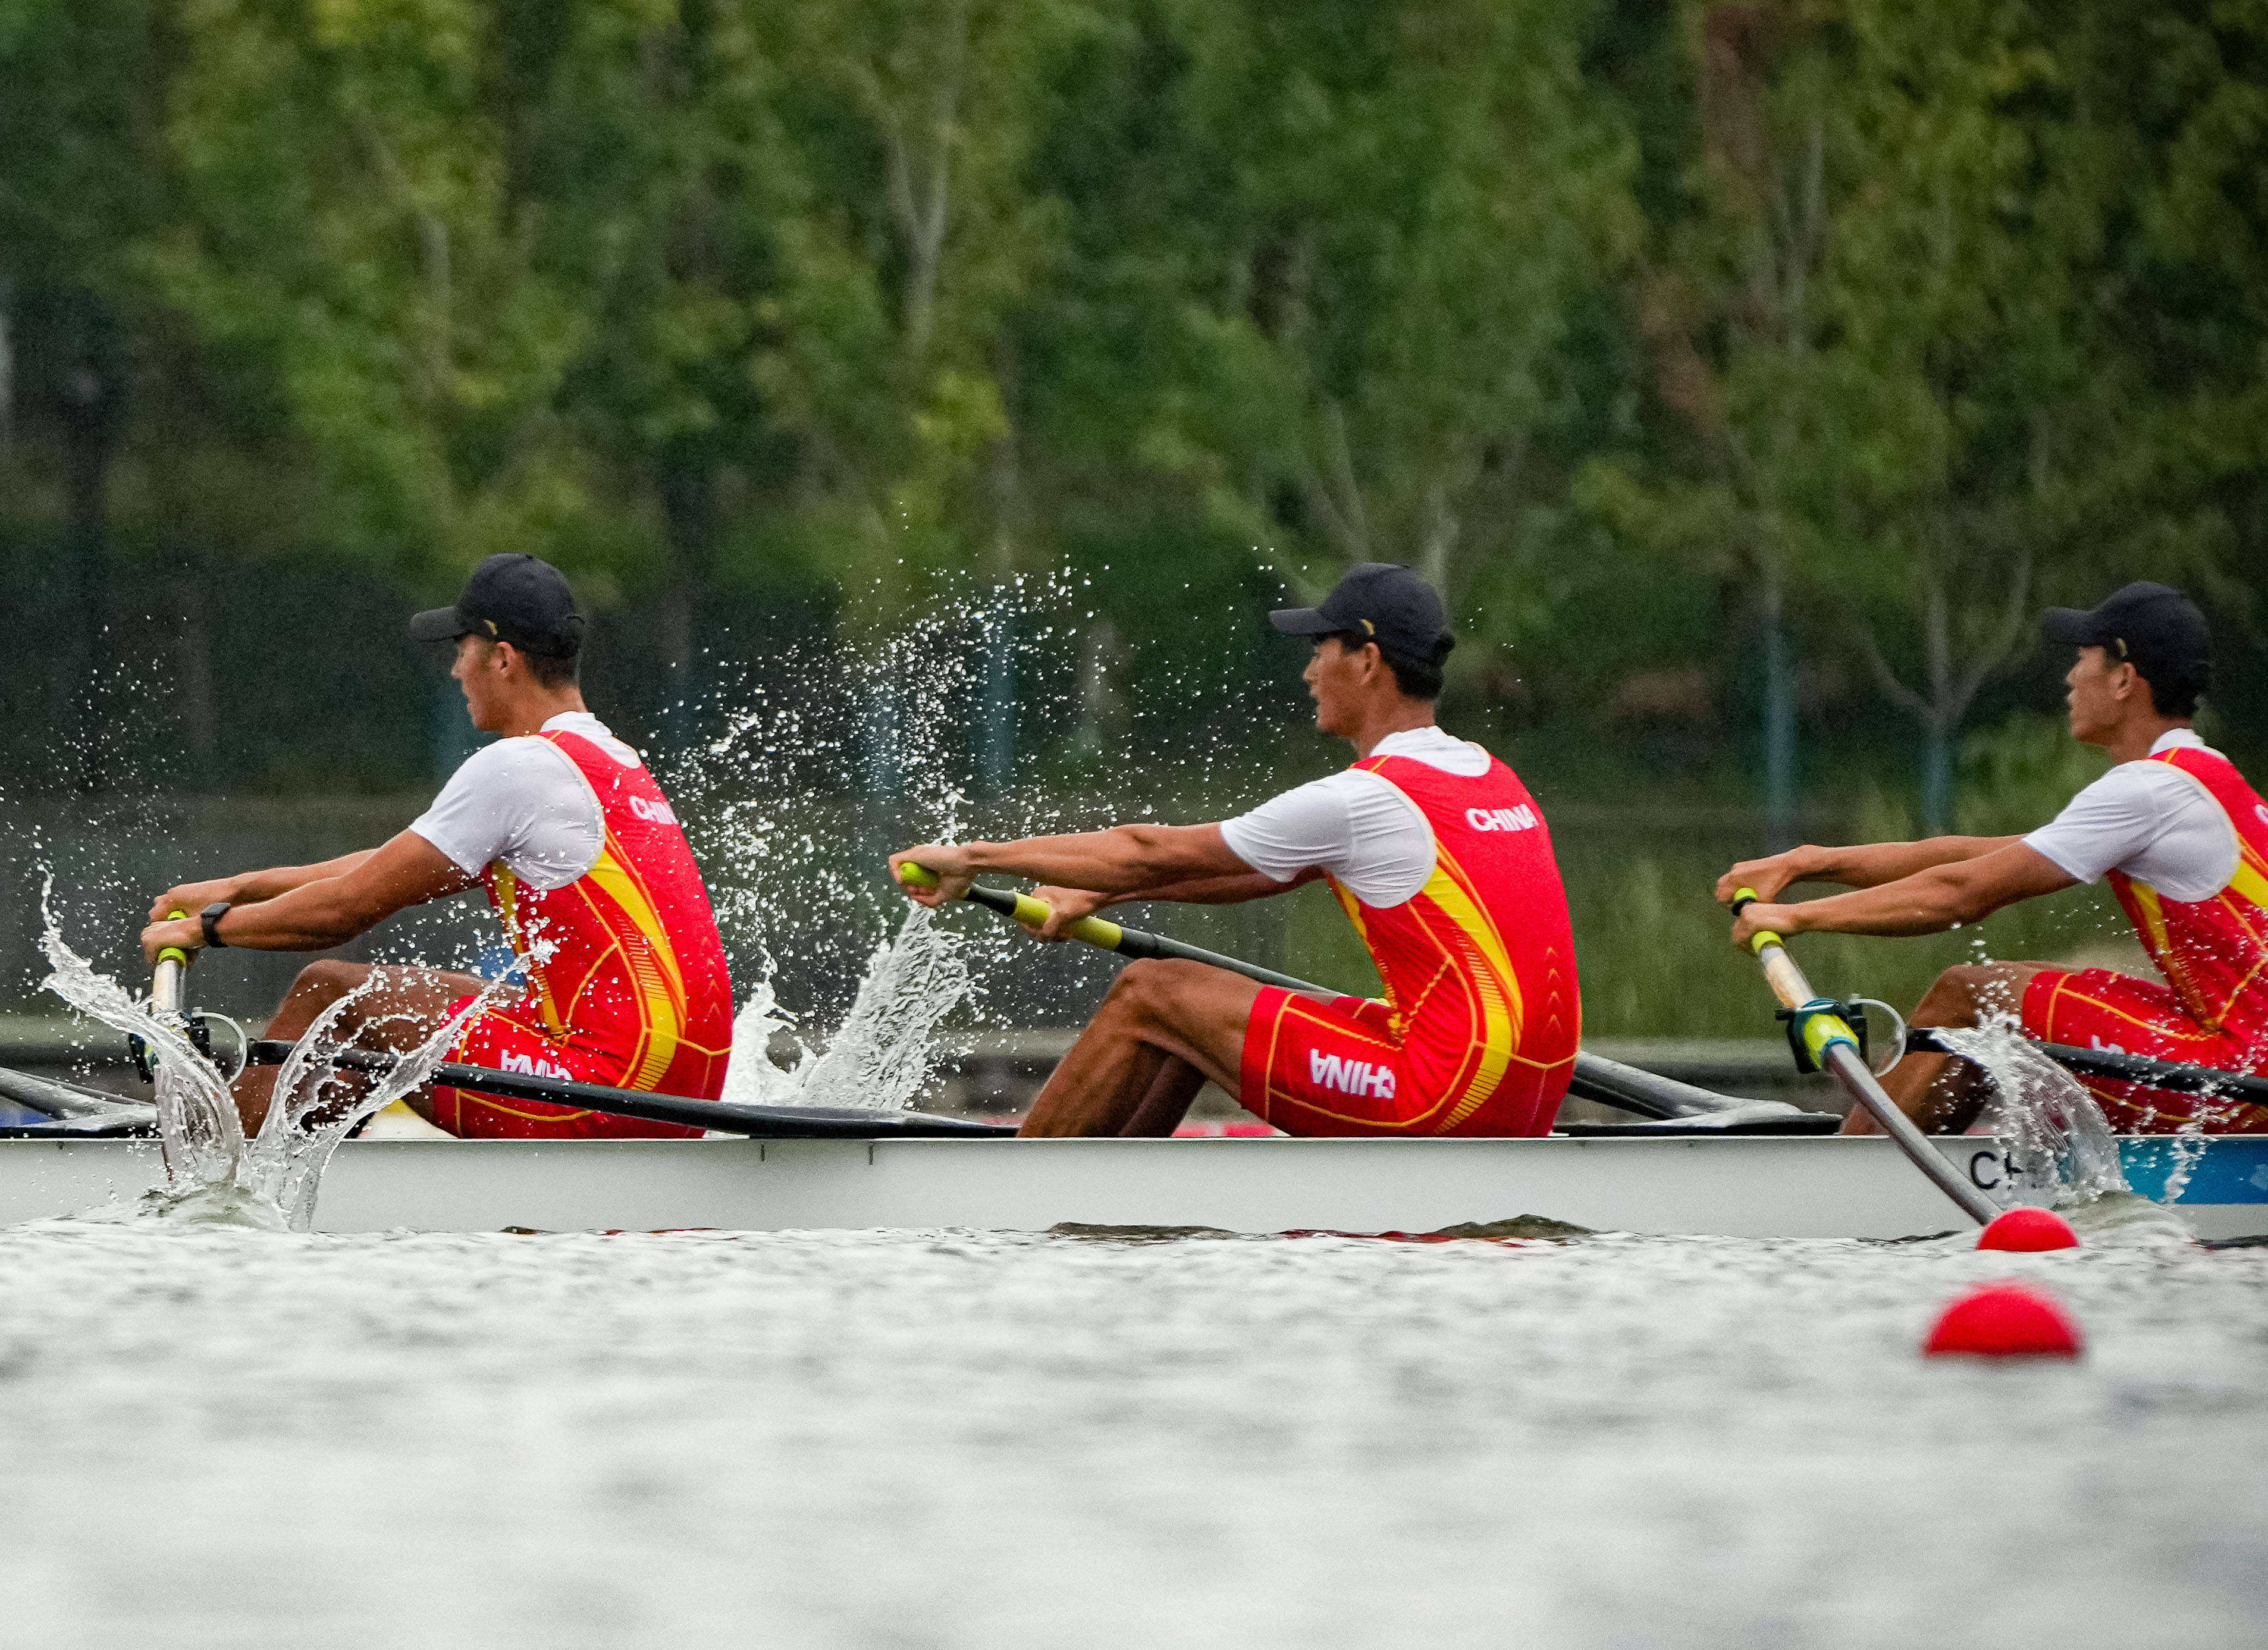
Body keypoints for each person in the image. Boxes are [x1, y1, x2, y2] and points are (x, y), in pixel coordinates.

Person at [892, 563, 1581, 1137]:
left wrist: (974, 859)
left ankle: (1015, 1193)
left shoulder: (1364, 798)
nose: (1311, 671)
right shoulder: (1492, 776)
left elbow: (1145, 849)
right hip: (1526, 1093)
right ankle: (1105, 1198)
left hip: (1447, 1093)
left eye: (1321, 649)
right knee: (1199, 1007)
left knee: (1151, 991)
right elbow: (1256, 872)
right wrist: (1104, 893)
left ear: (1367, 662)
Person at [143, 553, 731, 1137]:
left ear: (503, 659)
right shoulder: (612, 762)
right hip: (680, 1090)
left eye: (461, 649)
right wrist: (241, 888)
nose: (455, 670)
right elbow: (383, 869)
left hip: (612, 1090)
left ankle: (210, 1193)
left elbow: (350, 907)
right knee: (398, 1009)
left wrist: (205, 929)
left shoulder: (520, 767)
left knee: (329, 990)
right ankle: (293, 1160)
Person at [1717, 581, 2268, 1135]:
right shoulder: (2198, 778)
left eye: (2082, 661)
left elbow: (1962, 894)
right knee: (2018, 986)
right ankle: (1910, 1160)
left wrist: (1797, 916)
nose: (2070, 679)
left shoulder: (2148, 790)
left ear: (2123, 678)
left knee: (1971, 995)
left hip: (2243, 1077)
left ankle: (1843, 1184)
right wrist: (1807, 864)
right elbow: (1970, 858)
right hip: (2239, 1059)